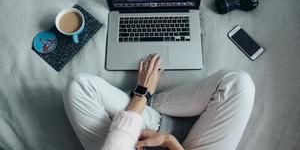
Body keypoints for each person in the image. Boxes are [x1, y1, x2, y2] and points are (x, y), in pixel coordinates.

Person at [63, 54, 255, 150]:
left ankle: (150, 105)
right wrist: (169, 140)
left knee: (79, 86)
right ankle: (150, 104)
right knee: (239, 83)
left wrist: (142, 93)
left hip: (135, 141)